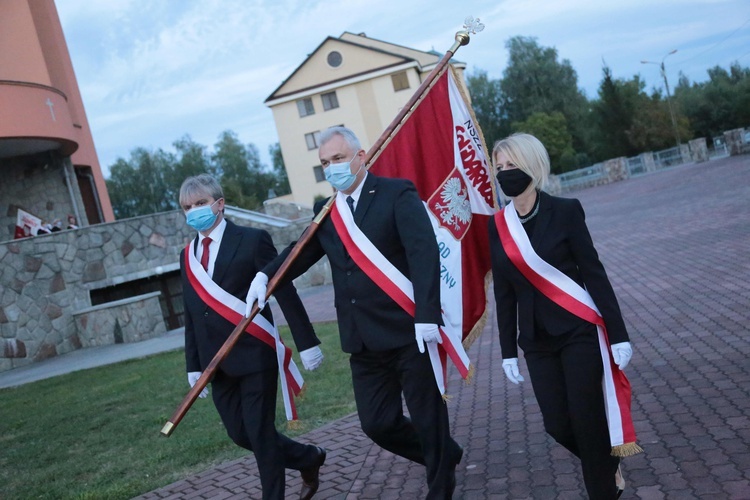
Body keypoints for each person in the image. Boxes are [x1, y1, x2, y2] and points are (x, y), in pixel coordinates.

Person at [245, 126, 463, 499]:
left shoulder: (396, 193)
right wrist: (266, 274)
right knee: (377, 424)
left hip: (408, 331)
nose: (333, 168)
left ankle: (440, 484)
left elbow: (423, 253)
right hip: (362, 341)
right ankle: (445, 454)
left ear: (361, 157)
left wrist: (428, 314)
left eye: (339, 158)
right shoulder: (326, 211)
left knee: (428, 419)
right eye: (326, 163)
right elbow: (300, 254)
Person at [488, 133, 636, 499]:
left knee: (586, 422)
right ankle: (606, 461)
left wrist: (618, 333)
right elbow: (504, 293)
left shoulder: (566, 210)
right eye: (500, 166)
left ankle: (602, 488)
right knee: (557, 424)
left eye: (512, 165)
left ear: (532, 167)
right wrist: (507, 350)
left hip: (577, 331)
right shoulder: (496, 225)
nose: (505, 173)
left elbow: (593, 273)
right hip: (536, 340)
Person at [179, 174, 327, 500]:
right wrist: (194, 364)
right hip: (217, 363)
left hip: (254, 353)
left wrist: (306, 341)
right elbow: (191, 313)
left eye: (201, 203)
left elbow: (282, 286)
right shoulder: (187, 255)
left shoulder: (251, 239)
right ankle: (308, 457)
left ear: (220, 204)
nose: (194, 211)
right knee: (241, 434)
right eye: (187, 207)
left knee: (259, 435)